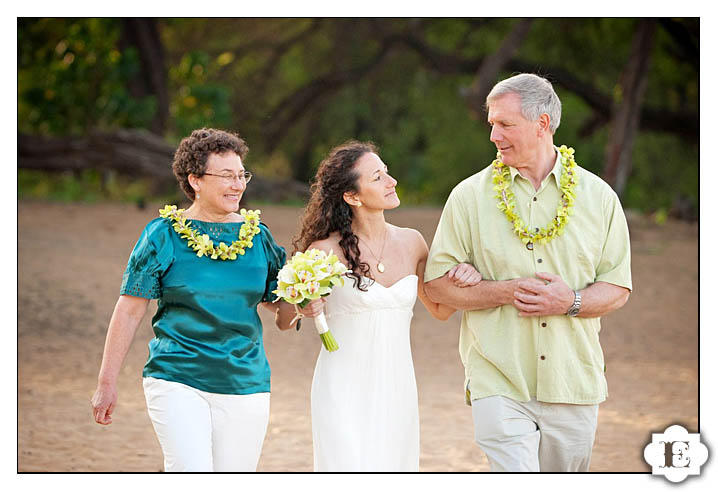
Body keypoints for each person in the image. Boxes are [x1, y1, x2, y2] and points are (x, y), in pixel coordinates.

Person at [424, 73, 632, 472]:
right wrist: (504, 291)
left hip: (572, 382)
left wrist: (569, 302)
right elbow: (436, 285)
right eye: (491, 124)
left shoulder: (599, 198)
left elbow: (618, 287)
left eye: (505, 124)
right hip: (497, 378)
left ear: (542, 125)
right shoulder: (468, 196)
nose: (493, 136)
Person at [91, 128, 300, 472]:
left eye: (241, 175)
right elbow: (129, 310)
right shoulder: (163, 234)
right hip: (177, 376)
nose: (238, 185)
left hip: (246, 381)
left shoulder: (258, 237)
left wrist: (303, 301)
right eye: (227, 176)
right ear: (196, 180)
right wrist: (106, 383)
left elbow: (281, 315)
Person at [292, 141, 482, 472]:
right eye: (378, 177)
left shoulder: (413, 242)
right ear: (352, 196)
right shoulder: (323, 251)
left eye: (387, 172)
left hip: (397, 384)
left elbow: (441, 310)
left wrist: (466, 275)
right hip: (342, 385)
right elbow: (300, 305)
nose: (391, 181)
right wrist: (305, 306)